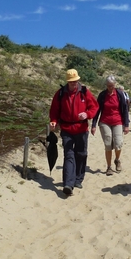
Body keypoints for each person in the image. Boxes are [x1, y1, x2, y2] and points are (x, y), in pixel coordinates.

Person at [49, 69, 99, 197]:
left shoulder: (84, 92)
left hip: (82, 129)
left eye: (76, 81)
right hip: (66, 129)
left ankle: (78, 179)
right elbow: (54, 110)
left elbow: (95, 107)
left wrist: (87, 114)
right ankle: (68, 184)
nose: (74, 84)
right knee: (69, 155)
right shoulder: (60, 94)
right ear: (67, 82)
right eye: (72, 82)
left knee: (81, 154)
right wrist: (54, 121)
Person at [91, 76, 130, 175]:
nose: (110, 88)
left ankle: (117, 160)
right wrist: (94, 125)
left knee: (118, 144)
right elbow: (97, 110)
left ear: (115, 84)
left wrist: (126, 125)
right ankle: (109, 167)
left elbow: (125, 109)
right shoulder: (102, 95)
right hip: (105, 121)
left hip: (118, 121)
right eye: (108, 86)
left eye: (112, 86)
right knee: (108, 144)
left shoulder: (120, 94)